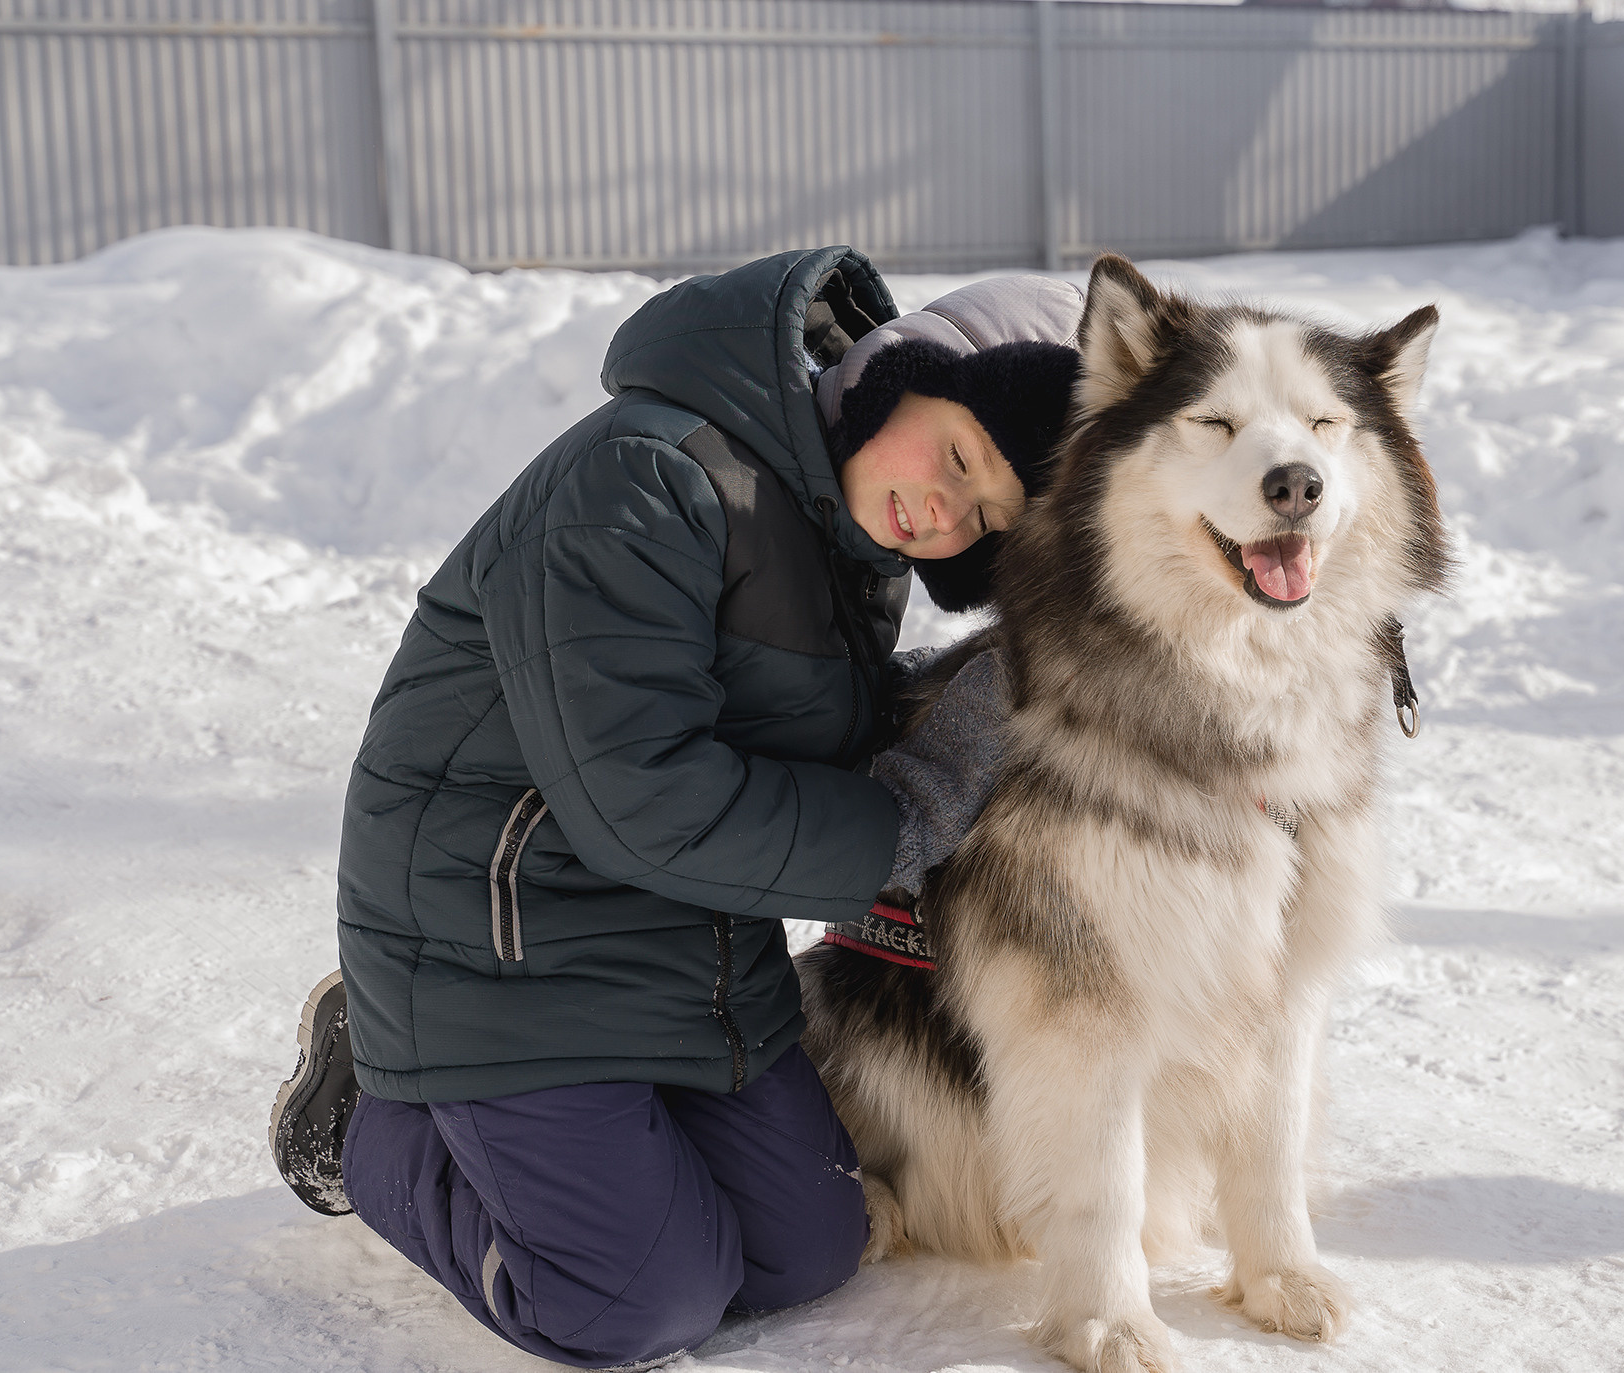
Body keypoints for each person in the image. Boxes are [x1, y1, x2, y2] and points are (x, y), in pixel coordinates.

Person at [268, 247, 1083, 1369]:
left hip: (679, 936)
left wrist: (994, 692)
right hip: (495, 935)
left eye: (983, 518)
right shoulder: (644, 477)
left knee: (810, 1247)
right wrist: (906, 815)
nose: (943, 511)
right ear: (898, 373)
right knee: (628, 1305)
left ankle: (593, 1162)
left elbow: (797, 730)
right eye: (956, 453)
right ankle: (365, 1113)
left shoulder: (845, 538)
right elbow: (646, 796)